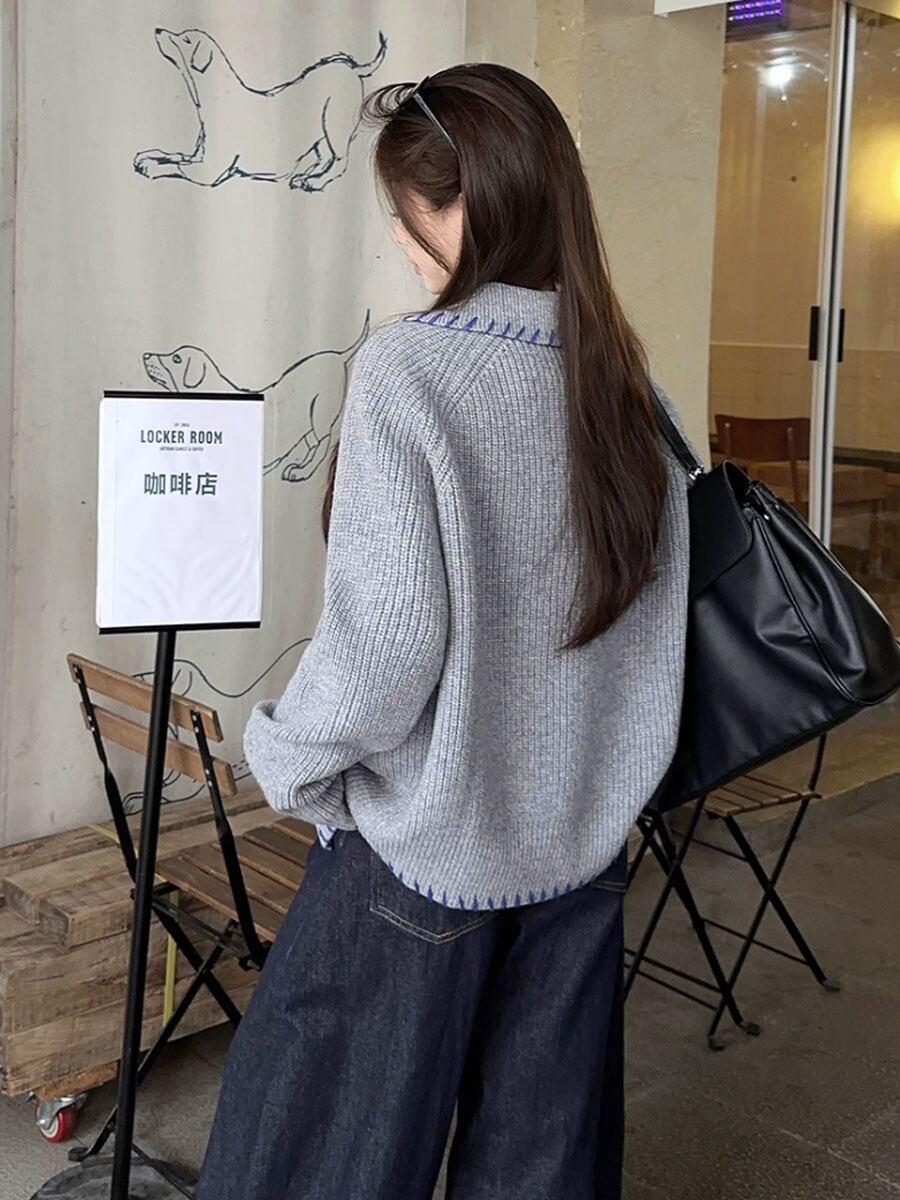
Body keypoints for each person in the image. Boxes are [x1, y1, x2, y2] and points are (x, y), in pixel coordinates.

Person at [194, 62, 698, 1200]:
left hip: (421, 862)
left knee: (316, 1166)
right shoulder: (632, 392)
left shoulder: (412, 370)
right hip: (580, 862)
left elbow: (384, 649)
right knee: (538, 1173)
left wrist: (289, 759)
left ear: (474, 202)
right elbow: (647, 641)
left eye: (410, 210)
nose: (402, 240)